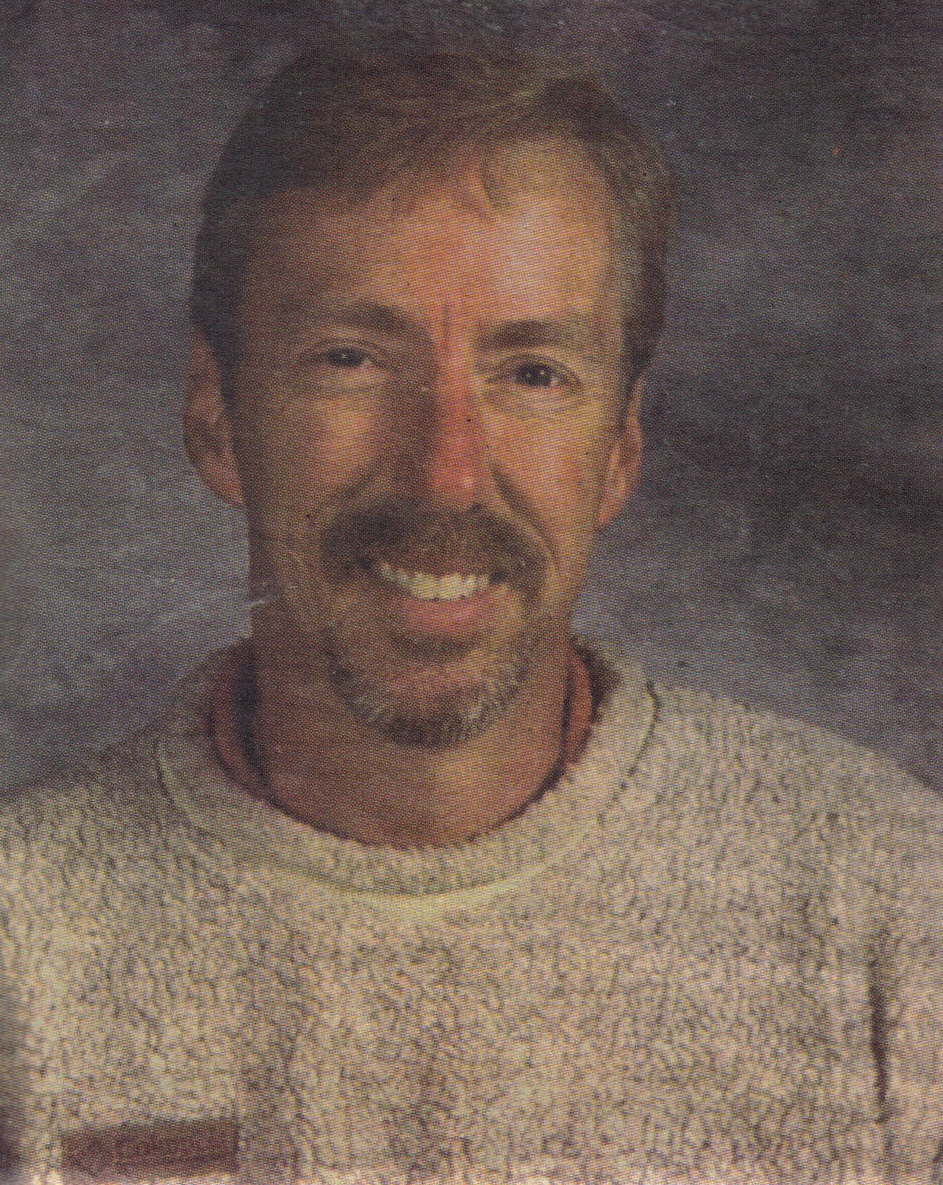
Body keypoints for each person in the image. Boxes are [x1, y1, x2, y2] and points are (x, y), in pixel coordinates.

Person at [0, 39, 942, 1185]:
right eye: (351, 359)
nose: (447, 473)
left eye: (532, 373)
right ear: (216, 416)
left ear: (620, 446)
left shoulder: (886, 903)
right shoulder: (26, 941)